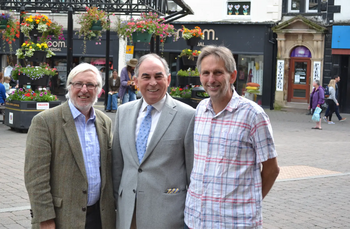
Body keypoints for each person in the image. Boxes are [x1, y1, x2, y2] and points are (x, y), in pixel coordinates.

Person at [184, 46, 280, 228]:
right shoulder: (200, 110)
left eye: (218, 72)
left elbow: (272, 169)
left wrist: (250, 202)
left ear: (233, 76)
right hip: (195, 219)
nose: (211, 79)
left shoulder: (253, 115)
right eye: (206, 73)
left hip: (235, 222)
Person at [24, 63, 115, 229]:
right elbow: (36, 178)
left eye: (91, 85)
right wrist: (45, 219)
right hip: (62, 218)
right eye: (78, 84)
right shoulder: (45, 122)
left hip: (100, 217)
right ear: (69, 87)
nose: (84, 90)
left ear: (99, 90)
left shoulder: (105, 122)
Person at [112, 54, 195, 229]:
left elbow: (192, 172)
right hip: (128, 213)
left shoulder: (187, 116)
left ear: (168, 79)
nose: (153, 83)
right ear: (135, 81)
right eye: (146, 77)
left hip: (168, 215)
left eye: (158, 76)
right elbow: (118, 165)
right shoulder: (123, 112)